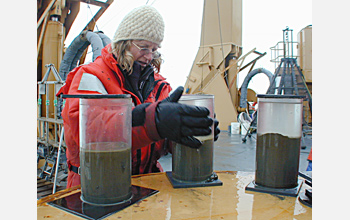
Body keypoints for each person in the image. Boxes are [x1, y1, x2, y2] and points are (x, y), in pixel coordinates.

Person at [57, 5, 220, 188]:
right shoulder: (91, 76)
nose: (149, 56)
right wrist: (150, 121)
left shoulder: (159, 86)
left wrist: (188, 130)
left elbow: (163, 139)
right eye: (144, 47)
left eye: (154, 49)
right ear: (123, 43)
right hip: (96, 187)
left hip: (148, 187)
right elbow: (88, 132)